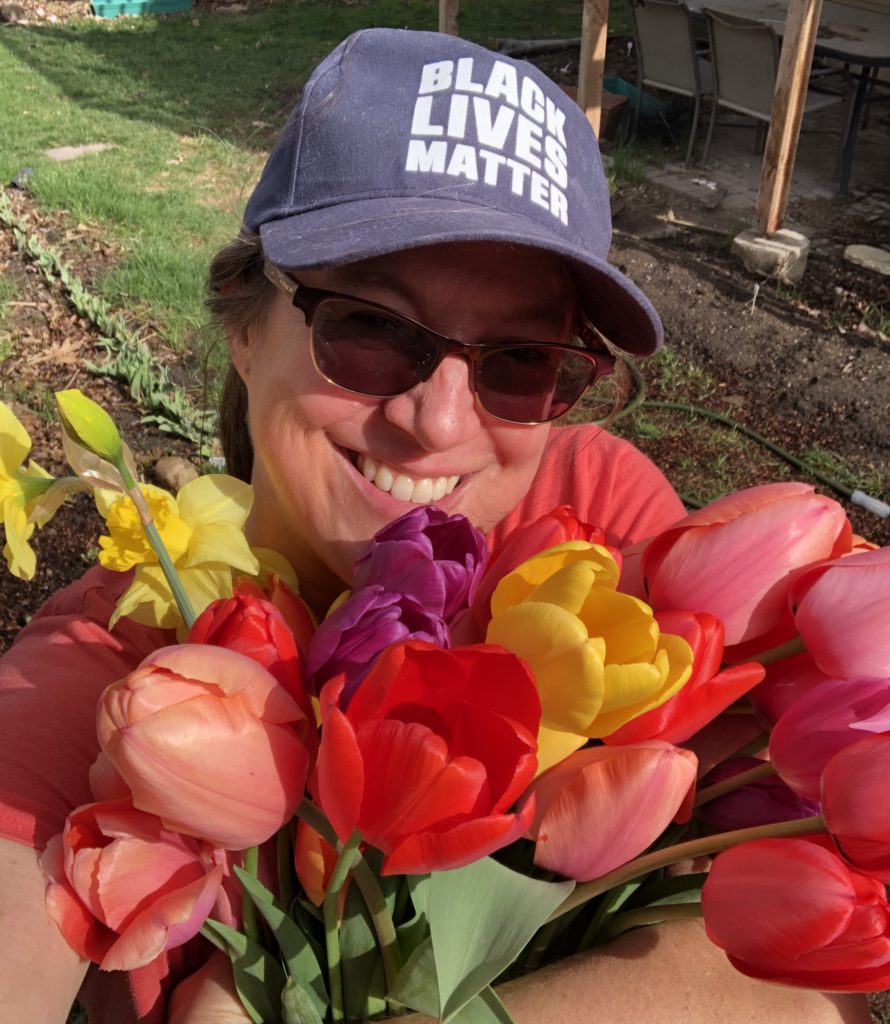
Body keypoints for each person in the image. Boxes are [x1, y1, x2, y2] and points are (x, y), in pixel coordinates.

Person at [0, 27, 871, 1024]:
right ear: (244, 328)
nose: (441, 423)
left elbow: (794, 984)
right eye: (367, 327)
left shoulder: (589, 521)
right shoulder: (119, 669)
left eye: (519, 359)